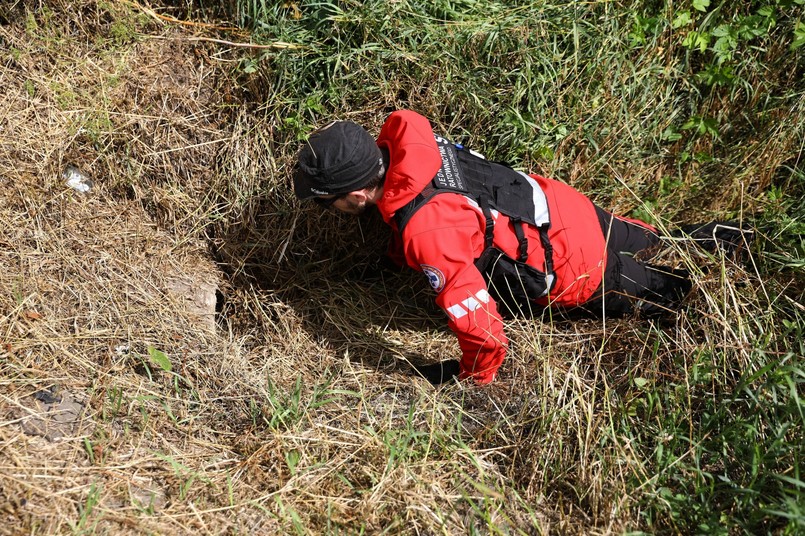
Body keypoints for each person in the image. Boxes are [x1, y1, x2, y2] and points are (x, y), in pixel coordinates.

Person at [293, 110, 750, 385]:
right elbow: (435, 207)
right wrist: (395, 259)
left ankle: (728, 323)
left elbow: (482, 327)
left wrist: (475, 378)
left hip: (575, 267)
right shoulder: (411, 140)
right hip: (566, 207)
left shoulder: (427, 233)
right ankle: (748, 237)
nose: (328, 209)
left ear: (355, 195)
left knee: (666, 294)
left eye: (326, 201)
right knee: (660, 239)